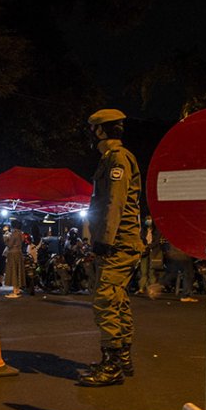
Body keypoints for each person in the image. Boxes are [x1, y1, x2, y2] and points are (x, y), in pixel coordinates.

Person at [78, 108, 144, 387]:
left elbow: (113, 203)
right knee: (117, 299)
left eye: (94, 130)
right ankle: (122, 359)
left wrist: (104, 240)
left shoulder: (117, 159)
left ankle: (112, 365)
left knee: (105, 299)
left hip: (118, 242)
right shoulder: (111, 159)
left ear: (101, 131)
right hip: (119, 241)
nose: (92, 136)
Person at [4, 220, 25, 298]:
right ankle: (18, 290)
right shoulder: (21, 233)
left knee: (13, 271)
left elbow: (9, 245)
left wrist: (6, 239)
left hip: (13, 253)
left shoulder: (14, 233)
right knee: (18, 271)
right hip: (19, 253)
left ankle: (15, 291)